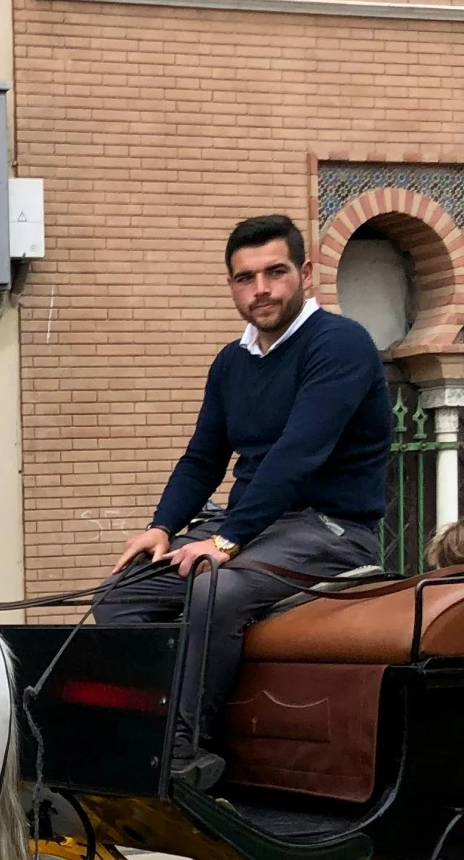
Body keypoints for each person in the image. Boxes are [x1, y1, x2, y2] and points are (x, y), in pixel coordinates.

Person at [96, 213, 391, 789]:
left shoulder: (340, 344)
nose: (261, 289)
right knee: (119, 593)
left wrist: (225, 539)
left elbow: (296, 455)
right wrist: (163, 527)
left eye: (275, 272)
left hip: (331, 531)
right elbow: (203, 458)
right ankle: (135, 732)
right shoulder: (232, 362)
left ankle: (182, 751)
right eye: (245, 277)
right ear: (231, 285)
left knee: (215, 583)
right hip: (258, 526)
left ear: (304, 273)